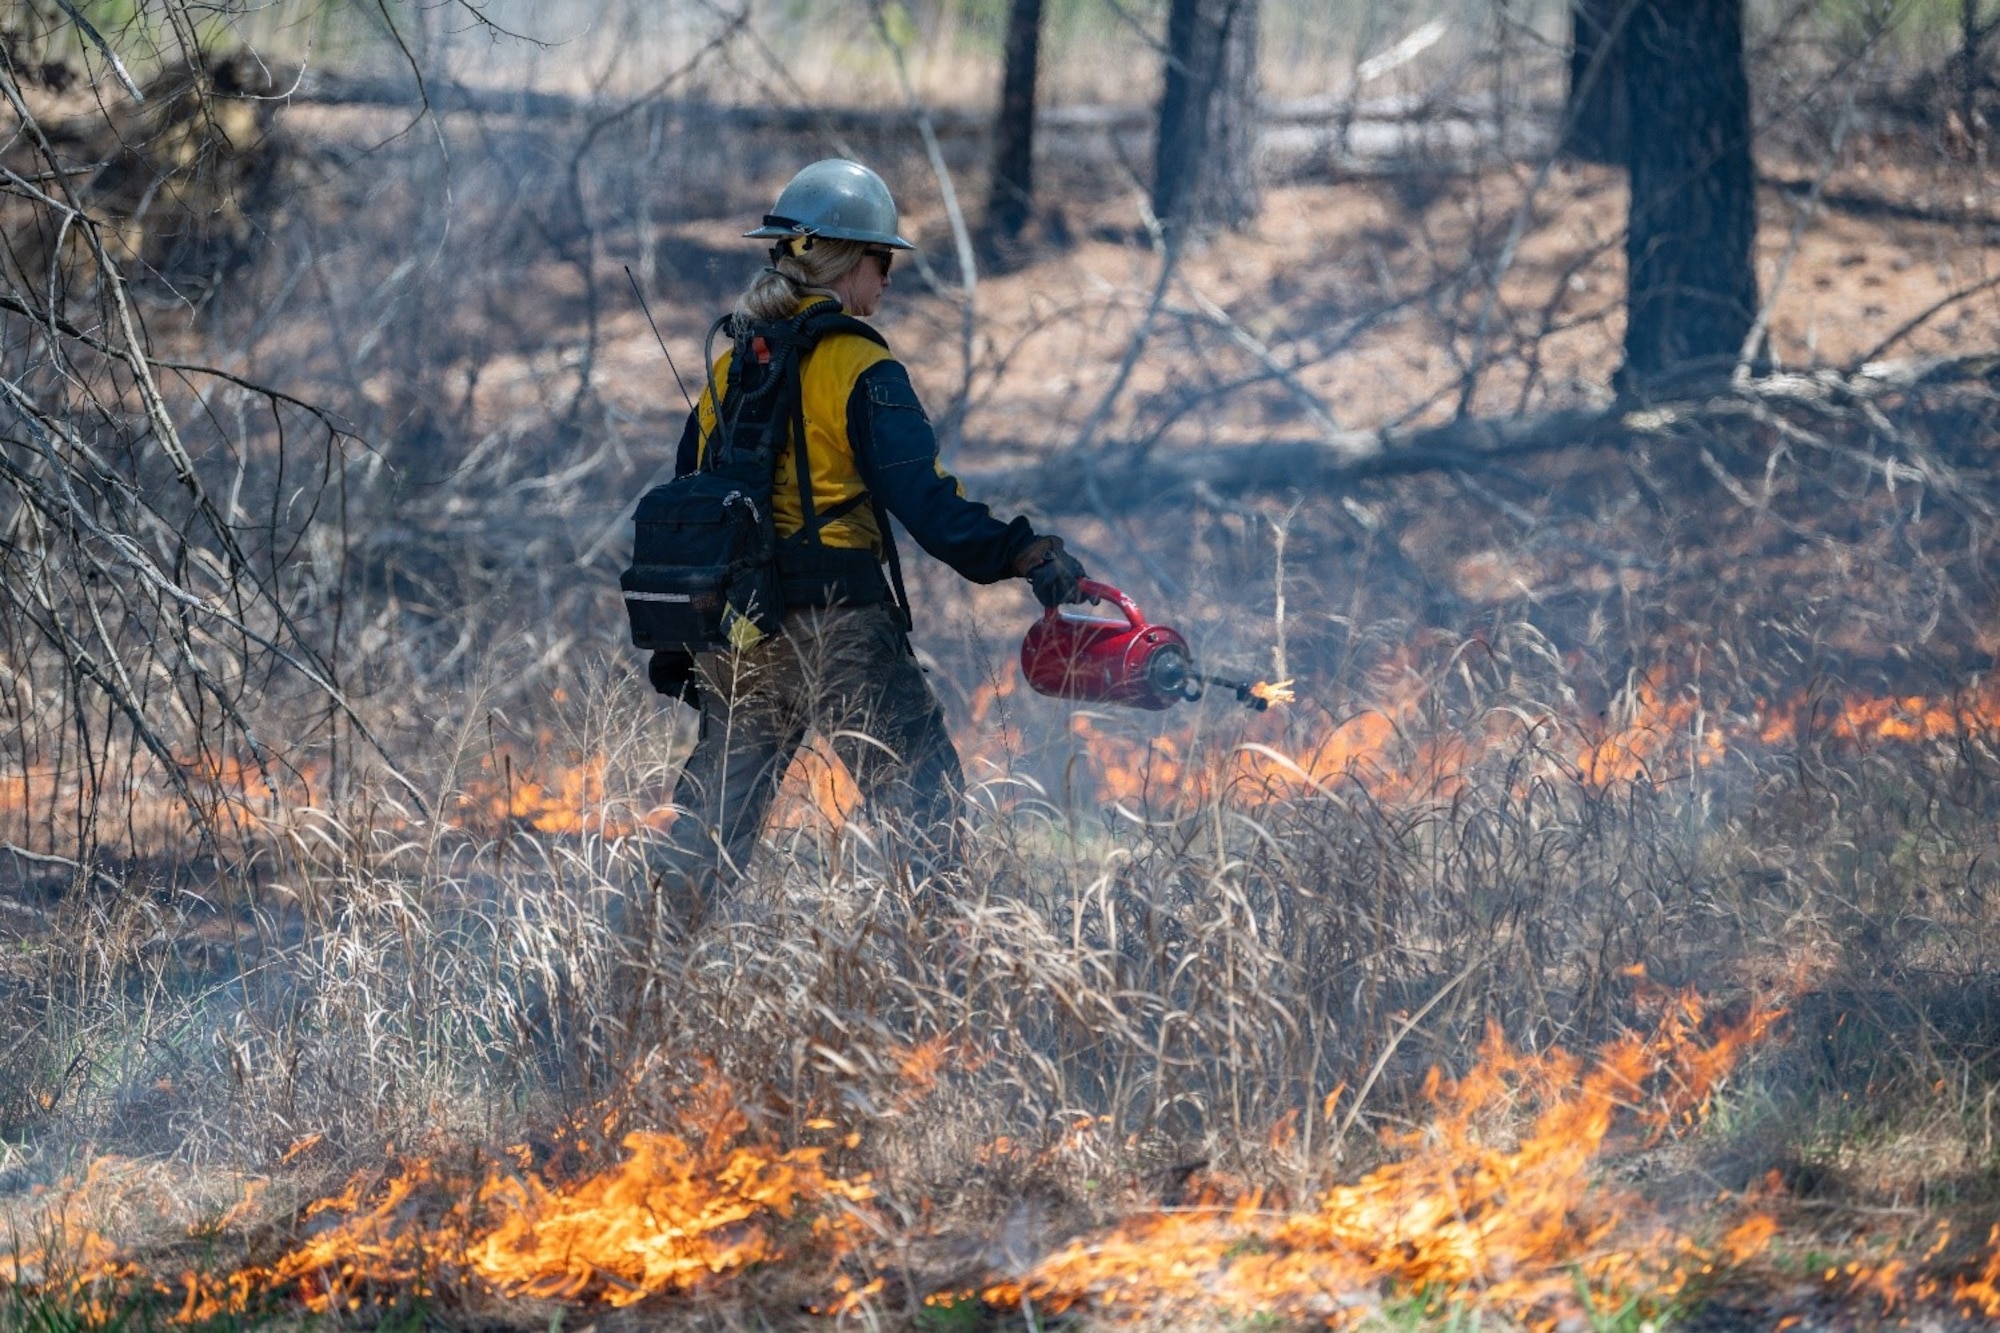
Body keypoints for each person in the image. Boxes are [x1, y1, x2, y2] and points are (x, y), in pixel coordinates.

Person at [637, 158, 1090, 935]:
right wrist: (1023, 552)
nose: (888, 281)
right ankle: (931, 992)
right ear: (848, 263)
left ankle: (615, 991)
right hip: (841, 630)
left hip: (741, 639)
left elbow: (694, 502)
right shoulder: (864, 365)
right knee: (926, 815)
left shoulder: (727, 371)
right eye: (883, 262)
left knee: (705, 841)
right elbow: (929, 507)